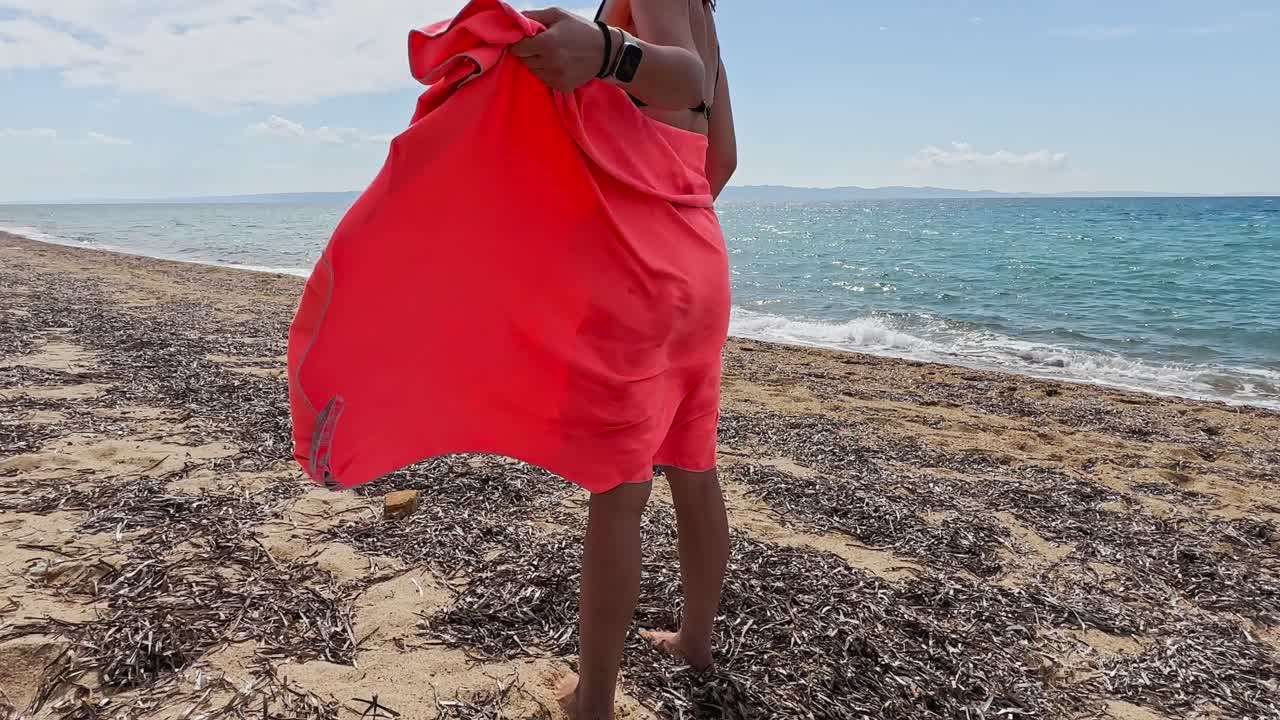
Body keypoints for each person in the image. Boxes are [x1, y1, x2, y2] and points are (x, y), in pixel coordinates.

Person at [510, 2, 736, 718]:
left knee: (618, 490)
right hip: (700, 256)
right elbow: (723, 157)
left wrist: (607, 51)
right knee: (694, 465)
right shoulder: (705, 12)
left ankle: (594, 701)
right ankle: (695, 641)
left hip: (646, 269)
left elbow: (682, 75)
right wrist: (673, 209)